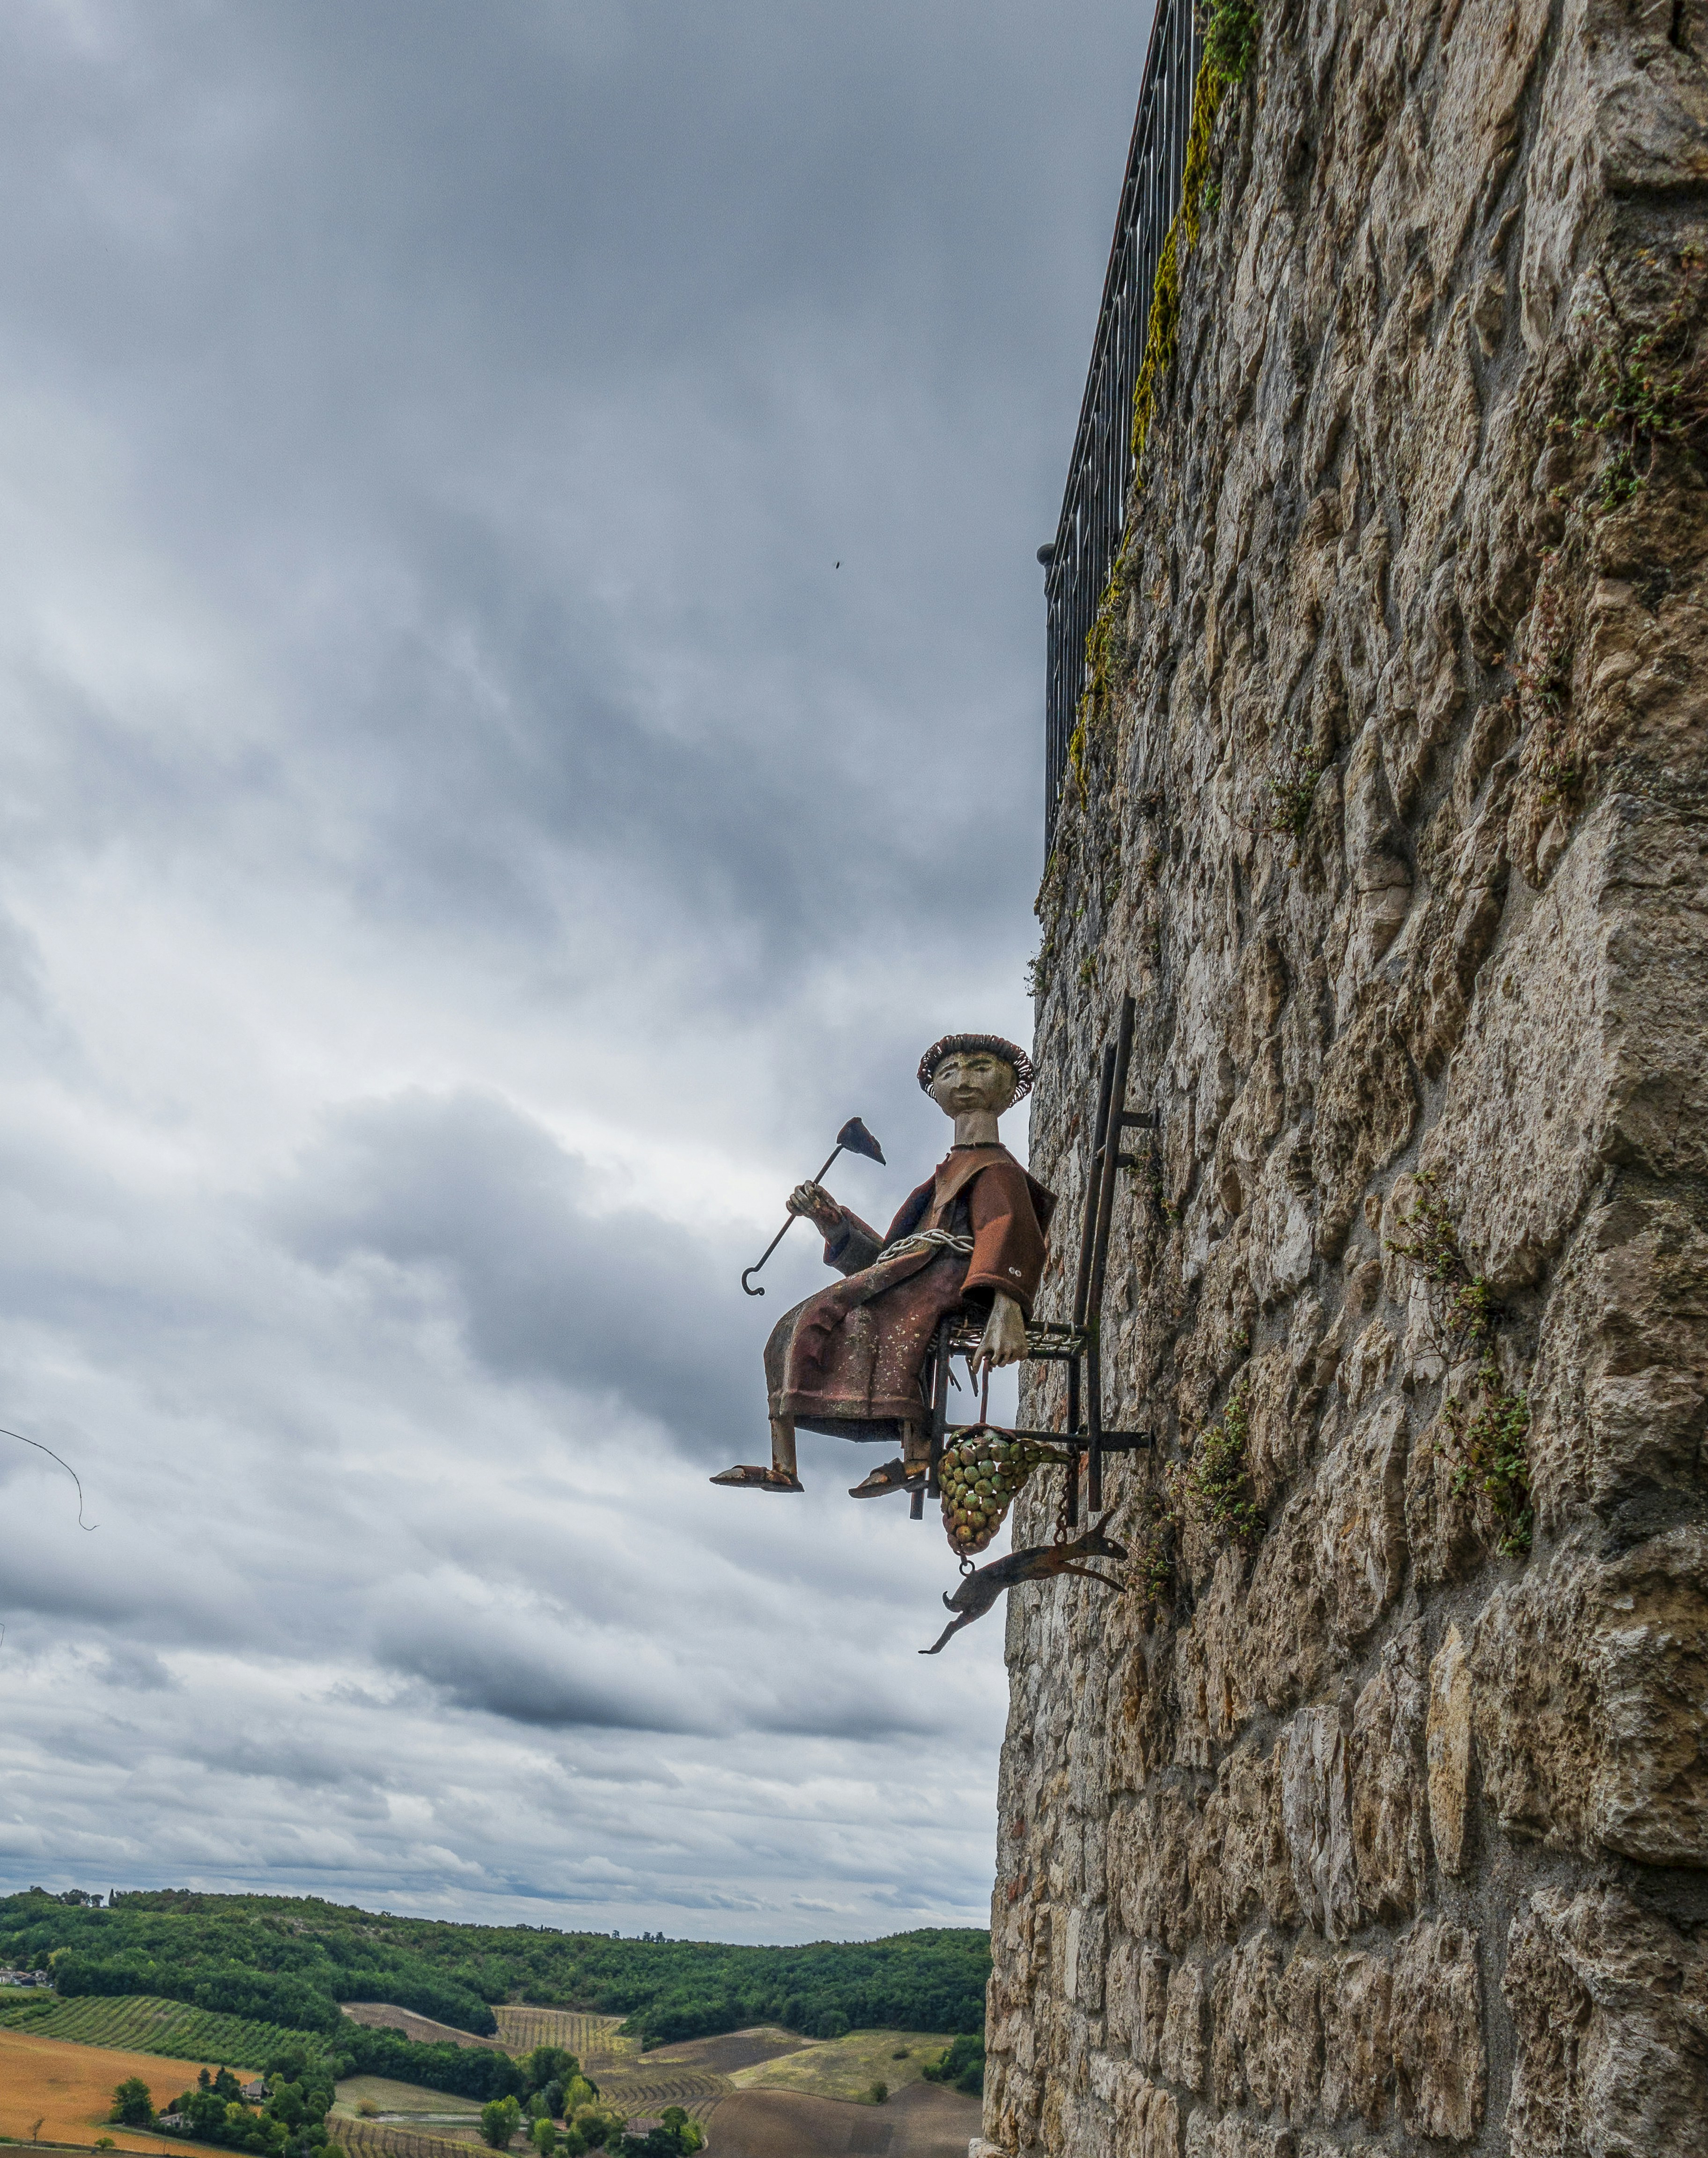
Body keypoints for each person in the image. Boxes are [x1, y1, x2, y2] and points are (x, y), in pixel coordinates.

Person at [712, 1034, 1055, 1498]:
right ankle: (784, 1464)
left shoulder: (997, 1170)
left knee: (878, 1319)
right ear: (935, 1089)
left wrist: (1008, 1307)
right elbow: (890, 1260)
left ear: (1008, 1082)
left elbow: (1008, 1229)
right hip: (922, 1276)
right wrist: (831, 1220)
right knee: (801, 1323)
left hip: (954, 1283)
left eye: (979, 1068)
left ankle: (917, 1457)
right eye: (950, 1072)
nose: (964, 1080)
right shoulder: (945, 1174)